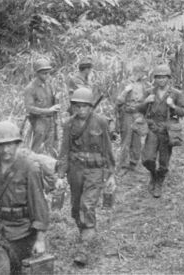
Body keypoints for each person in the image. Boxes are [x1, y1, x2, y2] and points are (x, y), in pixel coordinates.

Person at [0, 121, 49, 275]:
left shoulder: (29, 168)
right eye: (1, 145)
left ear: (17, 144)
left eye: (10, 144)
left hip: (23, 234)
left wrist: (40, 239)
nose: (5, 149)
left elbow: (39, 204)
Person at [56, 87, 115, 265]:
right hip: (75, 170)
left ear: (91, 107)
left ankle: (84, 248)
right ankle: (86, 231)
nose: (81, 110)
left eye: (84, 106)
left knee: (87, 204)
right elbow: (64, 151)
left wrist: (111, 175)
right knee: (76, 208)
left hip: (95, 171)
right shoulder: (68, 124)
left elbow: (108, 150)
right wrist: (60, 175)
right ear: (73, 107)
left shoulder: (101, 122)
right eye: (77, 106)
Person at [138, 64, 184, 198]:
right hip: (153, 128)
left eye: (163, 77)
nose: (160, 80)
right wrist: (145, 102)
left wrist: (173, 106)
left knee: (164, 161)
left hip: (167, 130)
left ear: (168, 78)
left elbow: (183, 112)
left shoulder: (176, 94)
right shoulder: (149, 92)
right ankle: (153, 175)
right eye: (158, 77)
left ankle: (159, 181)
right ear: (155, 79)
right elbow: (140, 109)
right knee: (147, 159)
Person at [116, 64, 148, 174]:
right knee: (126, 139)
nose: (143, 75)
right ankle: (124, 165)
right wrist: (125, 91)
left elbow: (145, 101)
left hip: (138, 114)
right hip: (127, 114)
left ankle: (134, 163)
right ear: (136, 72)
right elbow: (118, 101)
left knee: (137, 140)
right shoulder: (125, 83)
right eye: (142, 72)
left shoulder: (143, 85)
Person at [24, 58, 60, 156]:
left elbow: (51, 101)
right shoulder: (30, 88)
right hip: (38, 122)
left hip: (51, 121)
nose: (47, 75)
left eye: (48, 73)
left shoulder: (48, 85)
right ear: (37, 73)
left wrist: (56, 100)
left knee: (50, 148)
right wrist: (48, 111)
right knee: (36, 150)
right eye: (44, 73)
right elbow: (30, 108)